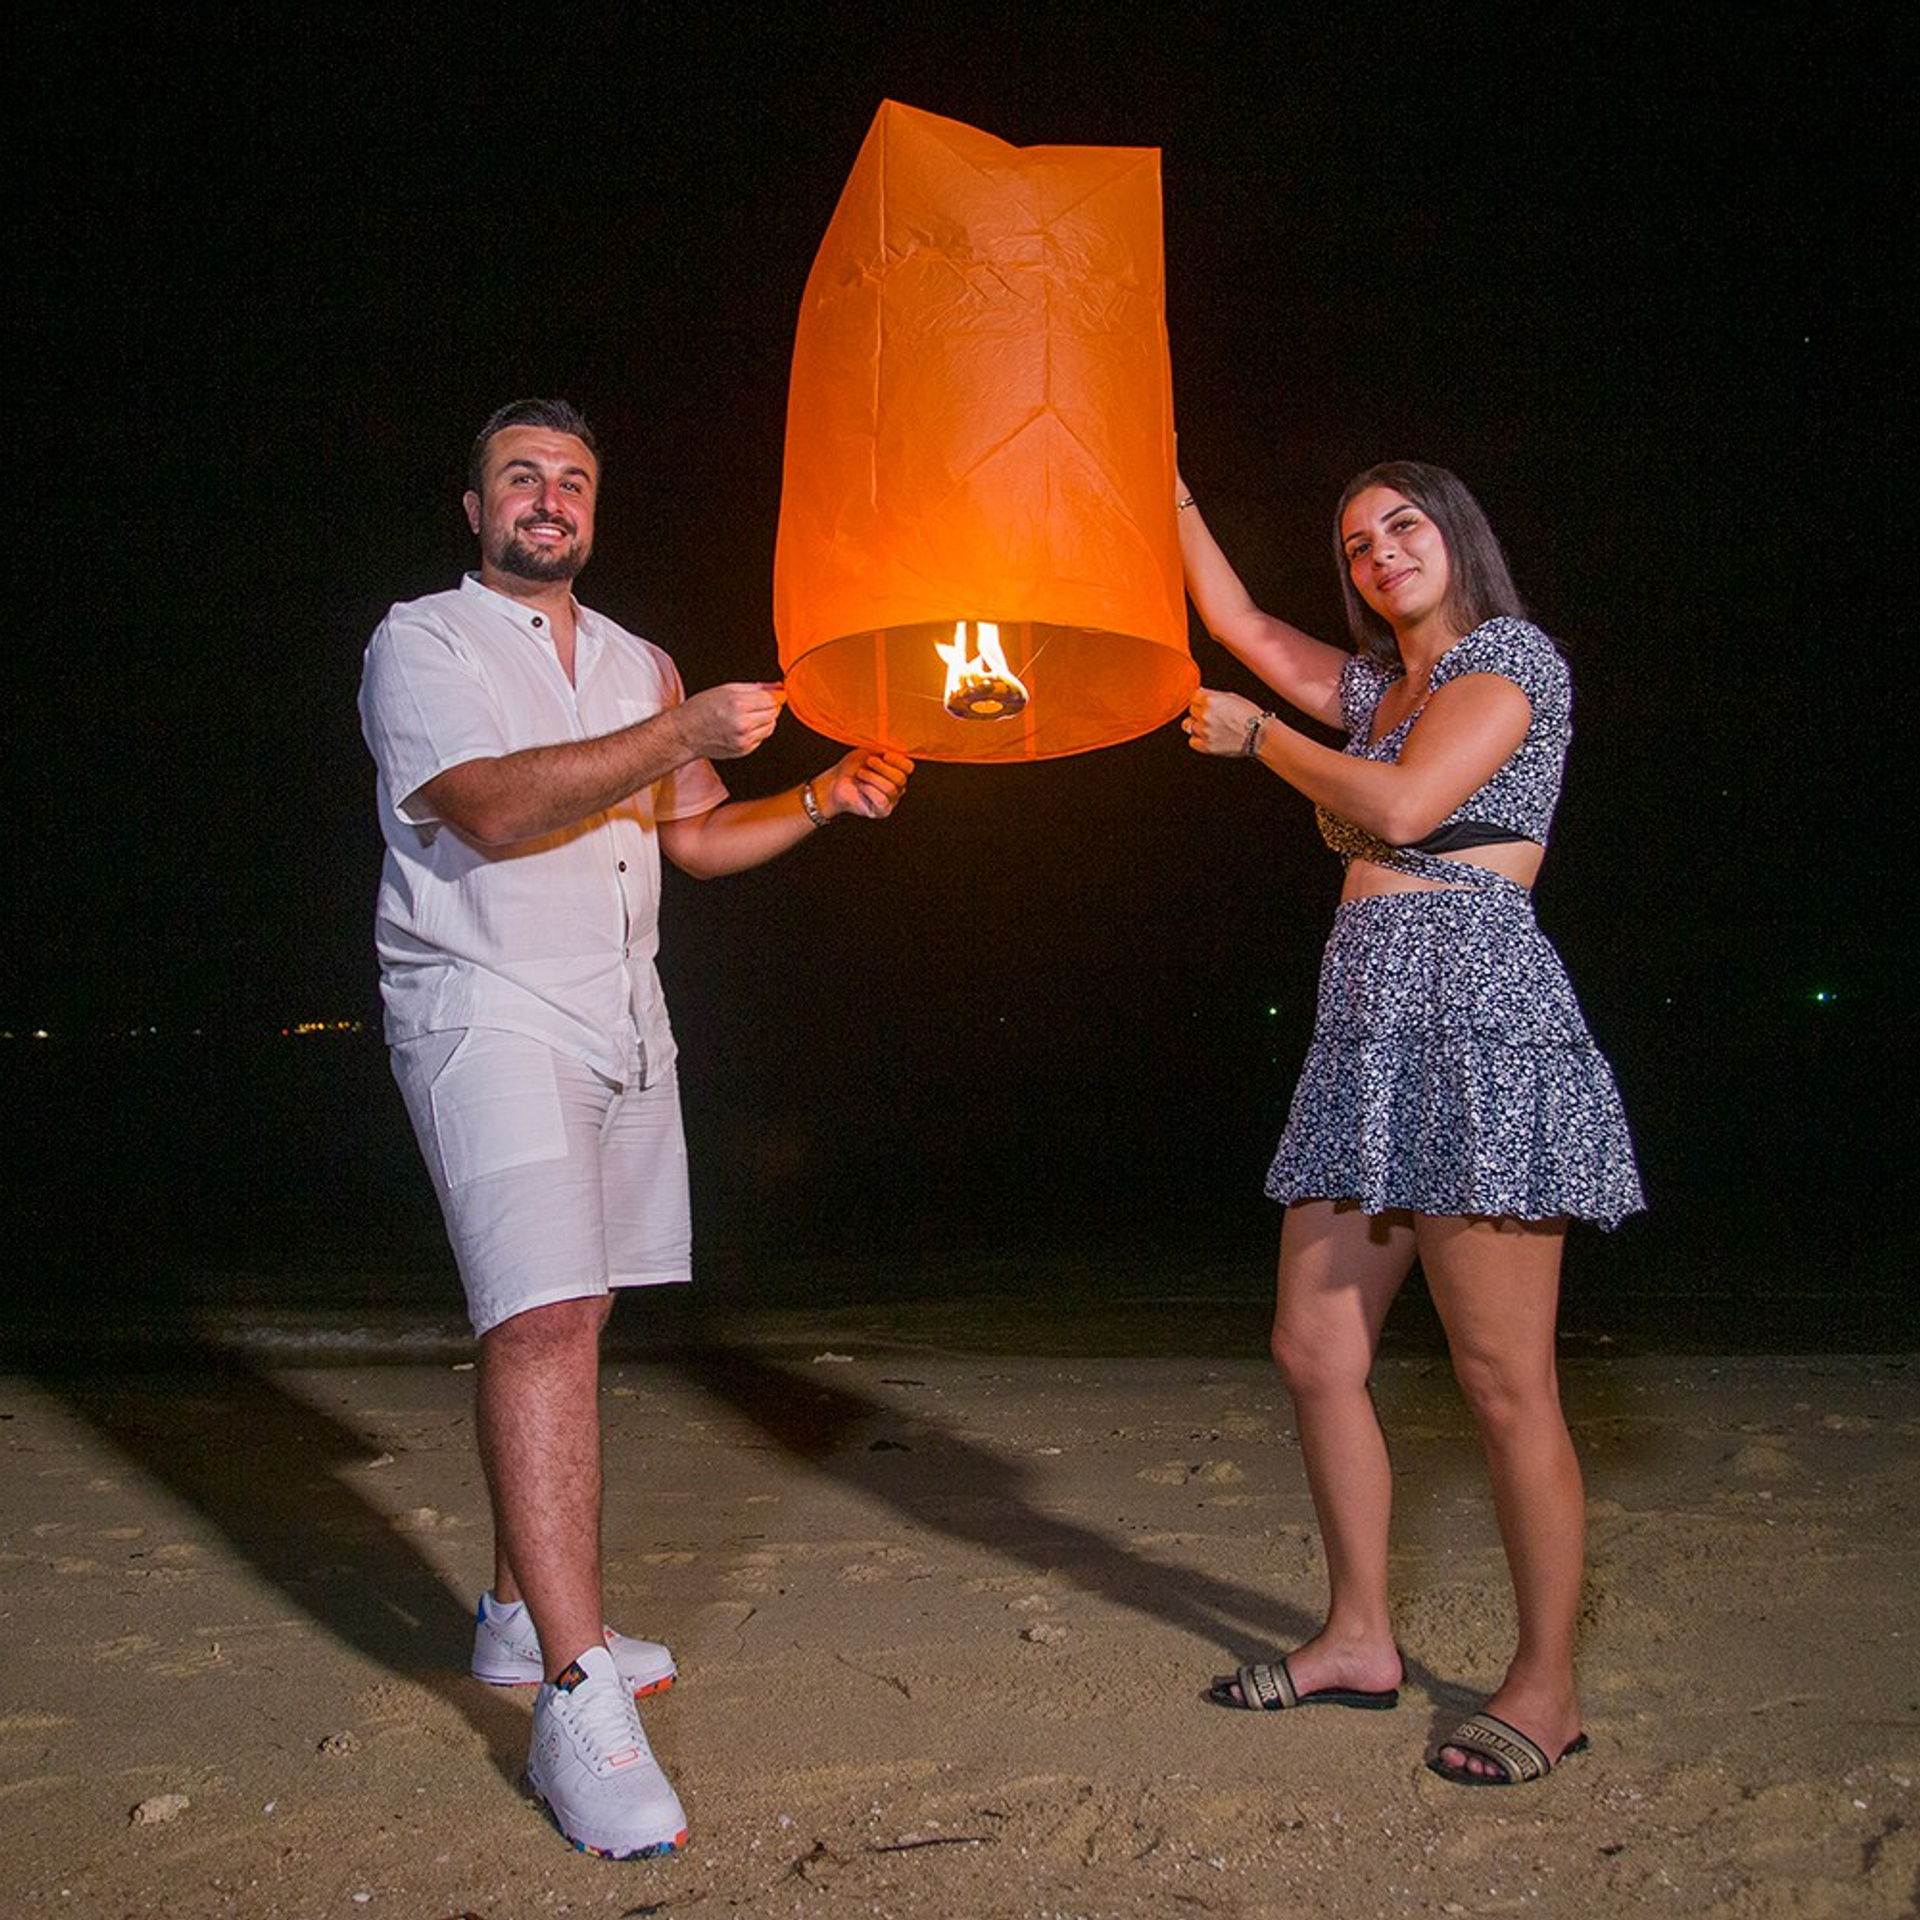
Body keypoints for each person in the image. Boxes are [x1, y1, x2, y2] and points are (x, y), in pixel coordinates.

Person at [358, 398, 912, 1858]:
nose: (549, 498)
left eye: (573, 480)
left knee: (581, 1305)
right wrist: (676, 730)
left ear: (594, 511)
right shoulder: (423, 641)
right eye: (520, 477)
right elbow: (487, 809)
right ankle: (573, 1690)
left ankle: (510, 1614)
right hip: (484, 1005)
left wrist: (823, 796)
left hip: (621, 1015)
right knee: (539, 1316)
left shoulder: (638, 657)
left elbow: (696, 834)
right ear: (475, 509)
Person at [1175, 459, 1642, 1787]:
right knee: (1315, 1348)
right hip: (1365, 1032)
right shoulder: (1379, 691)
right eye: (1356, 544)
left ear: (1455, 533)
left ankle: (1545, 1689)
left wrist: (1260, 741)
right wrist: (1161, 484)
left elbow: (1402, 808)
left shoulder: (1513, 661)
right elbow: (1241, 626)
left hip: (1479, 1018)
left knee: (1503, 1382)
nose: (1379, 552)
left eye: (1402, 525)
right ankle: (1358, 1638)